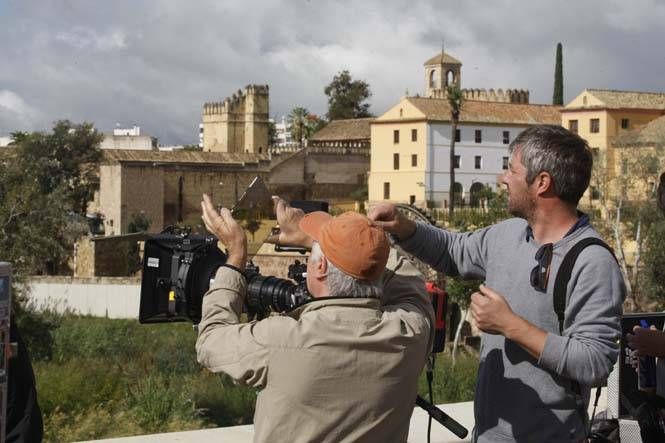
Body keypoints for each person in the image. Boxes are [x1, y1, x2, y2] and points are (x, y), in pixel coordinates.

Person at [369, 125, 625, 442]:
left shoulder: (592, 262)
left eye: (511, 170)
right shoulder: (508, 234)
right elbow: (453, 251)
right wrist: (404, 227)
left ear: (542, 183)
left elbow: (595, 362)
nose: (502, 179)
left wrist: (510, 325)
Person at [196, 194, 434, 443]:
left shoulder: (280, 340)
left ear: (320, 268)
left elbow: (210, 340)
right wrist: (350, 244)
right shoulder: (410, 333)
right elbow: (408, 279)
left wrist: (236, 255)